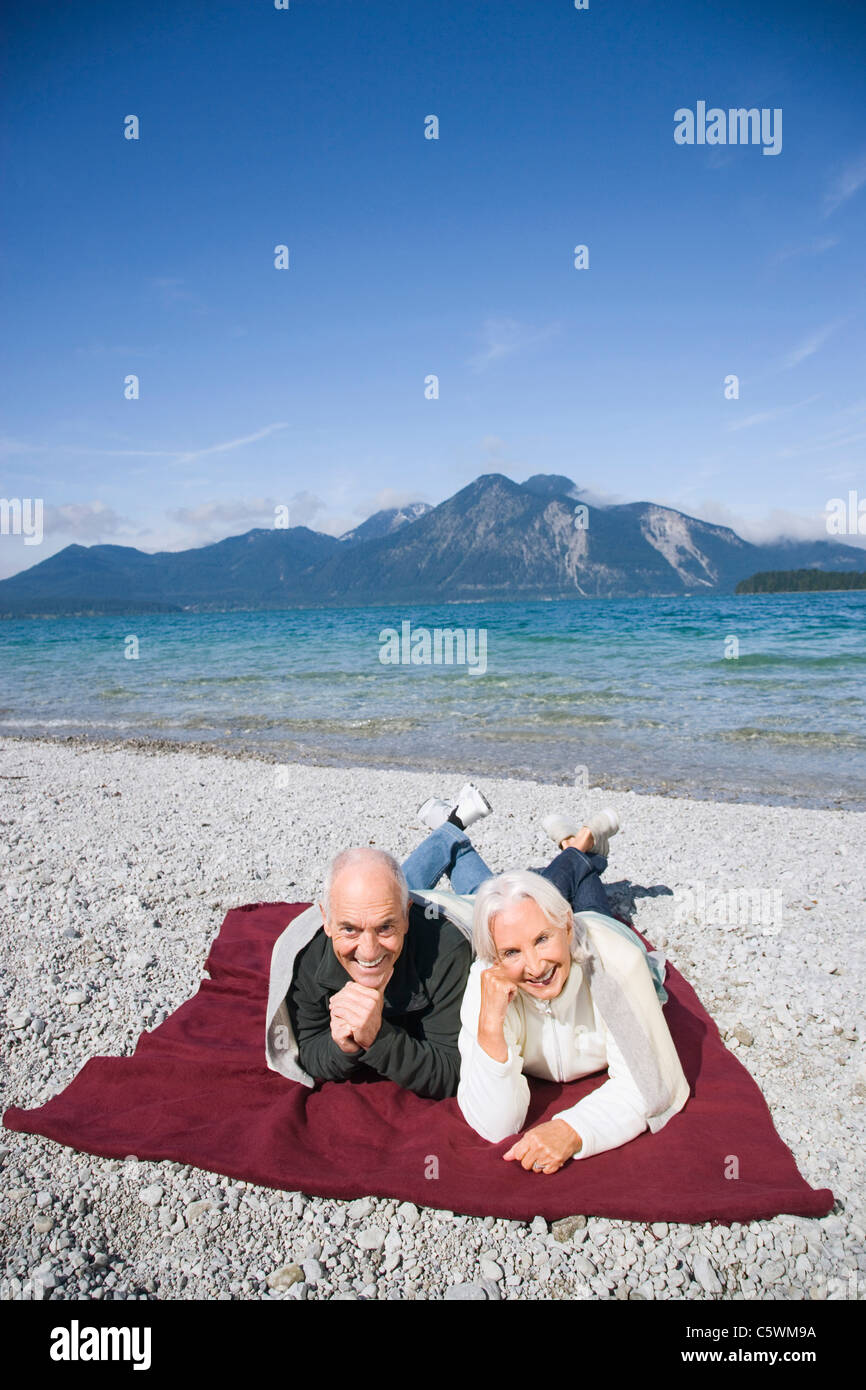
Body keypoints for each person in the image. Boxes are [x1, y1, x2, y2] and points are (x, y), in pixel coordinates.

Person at [456, 868, 689, 1174]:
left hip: (606, 931)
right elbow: (494, 1124)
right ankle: (578, 851)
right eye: (512, 952)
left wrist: (572, 1129)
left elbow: (651, 1085)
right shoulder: (487, 980)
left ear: (566, 928)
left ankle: (584, 855)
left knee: (595, 905)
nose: (536, 967)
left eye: (542, 939)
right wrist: (490, 1027)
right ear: (496, 959)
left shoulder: (618, 962)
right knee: (584, 891)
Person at [281, 844, 472, 1100]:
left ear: (405, 917)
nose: (369, 952)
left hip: (474, 909)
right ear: (326, 920)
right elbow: (310, 1049)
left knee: (494, 892)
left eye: (385, 928)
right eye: (349, 929)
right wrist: (344, 1048)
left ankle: (453, 836)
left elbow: (453, 1071)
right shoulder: (305, 955)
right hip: (405, 900)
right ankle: (449, 832)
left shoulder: (447, 951)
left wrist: (378, 1037)